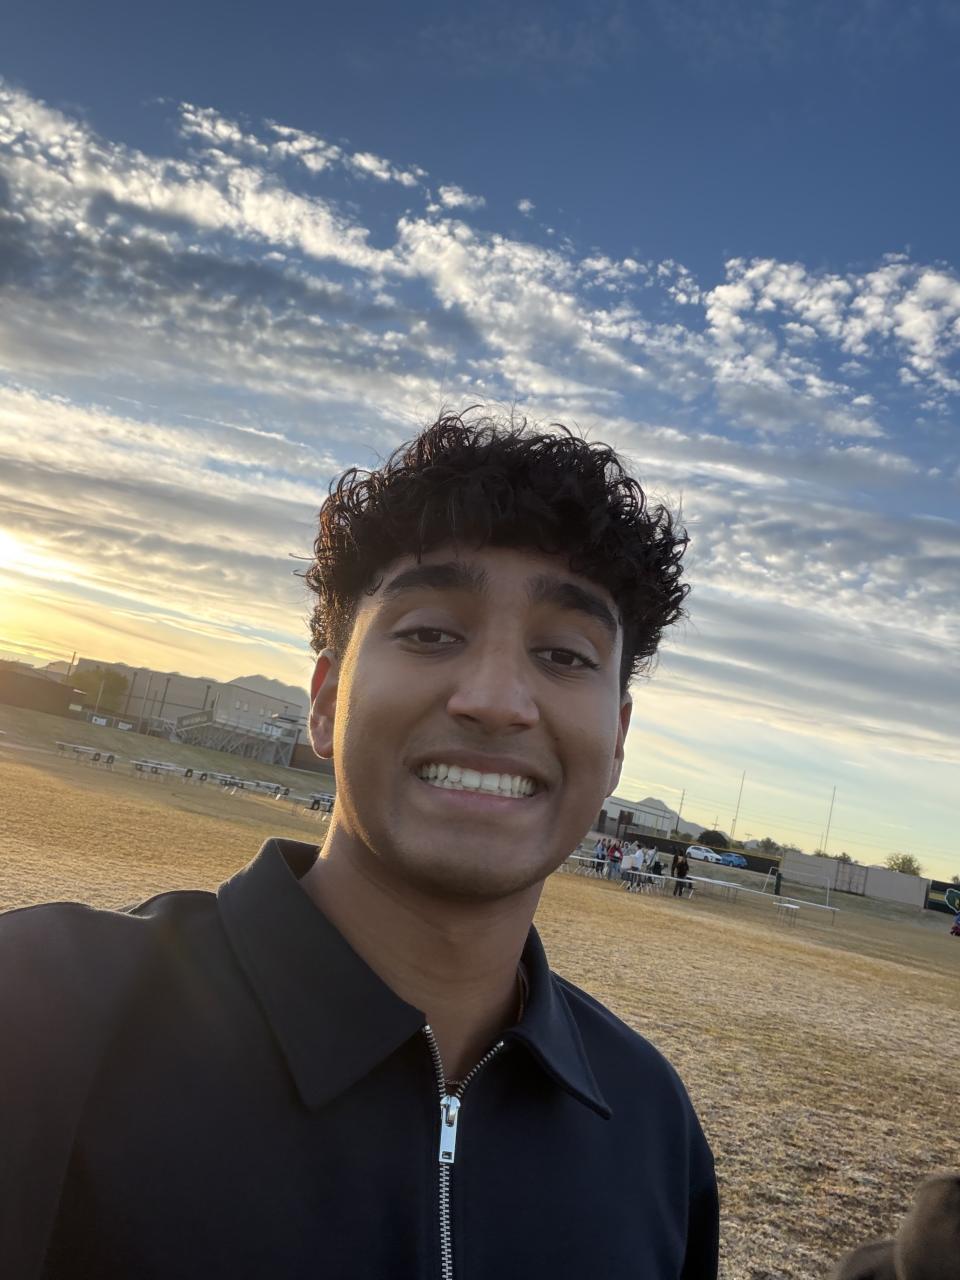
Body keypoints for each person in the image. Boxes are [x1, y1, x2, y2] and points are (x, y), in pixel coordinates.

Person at [0, 412, 718, 1279]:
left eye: (565, 655)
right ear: (325, 700)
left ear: (619, 743)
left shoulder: (652, 1129)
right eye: (430, 634)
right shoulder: (41, 1015)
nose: (496, 700)